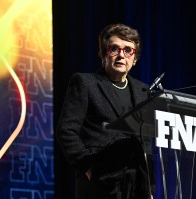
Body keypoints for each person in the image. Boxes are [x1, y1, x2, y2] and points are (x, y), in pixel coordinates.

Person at [56, 23, 154, 199]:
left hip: (135, 185)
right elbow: (66, 131)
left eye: (128, 50)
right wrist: (87, 168)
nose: (121, 56)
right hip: (99, 182)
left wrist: (149, 186)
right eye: (114, 49)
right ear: (103, 54)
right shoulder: (86, 83)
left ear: (135, 58)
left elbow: (146, 141)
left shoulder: (143, 91)